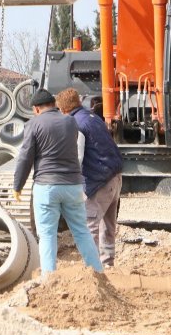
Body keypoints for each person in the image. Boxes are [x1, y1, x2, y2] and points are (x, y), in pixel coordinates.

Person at [13, 88, 102, 275]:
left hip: (46, 186)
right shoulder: (70, 122)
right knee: (81, 231)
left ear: (36, 109)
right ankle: (98, 272)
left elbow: (25, 158)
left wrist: (18, 186)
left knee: (47, 235)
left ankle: (49, 278)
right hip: (73, 185)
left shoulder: (33, 124)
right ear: (54, 104)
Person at [56, 88, 123, 267]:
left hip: (99, 181)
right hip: (115, 177)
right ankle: (108, 264)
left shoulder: (75, 124)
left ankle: (92, 270)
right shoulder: (93, 118)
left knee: (89, 227)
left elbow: (77, 157)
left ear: (63, 109)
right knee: (108, 226)